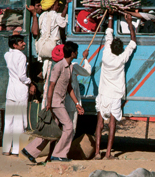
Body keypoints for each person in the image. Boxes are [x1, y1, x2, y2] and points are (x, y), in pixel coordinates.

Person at [94, 14, 137, 160]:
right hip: (115, 95)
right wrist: (130, 23)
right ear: (120, 50)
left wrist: (111, 15)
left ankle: (97, 153)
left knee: (99, 123)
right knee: (112, 124)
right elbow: (133, 42)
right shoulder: (121, 59)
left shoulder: (106, 55)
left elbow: (109, 33)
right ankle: (108, 154)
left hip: (103, 94)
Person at [44, 41, 84, 162]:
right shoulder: (59, 66)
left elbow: (69, 88)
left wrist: (77, 104)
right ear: (72, 53)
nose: (77, 53)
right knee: (68, 126)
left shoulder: (70, 67)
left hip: (59, 101)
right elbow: (51, 85)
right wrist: (49, 103)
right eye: (76, 51)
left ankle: (30, 151)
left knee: (53, 128)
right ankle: (58, 155)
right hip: (56, 101)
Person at [2, 35, 35, 156]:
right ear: (15, 45)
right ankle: (16, 150)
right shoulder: (21, 56)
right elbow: (22, 76)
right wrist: (29, 82)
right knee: (19, 121)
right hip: (20, 91)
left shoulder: (7, 55)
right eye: (21, 42)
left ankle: (6, 148)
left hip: (10, 91)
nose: (24, 44)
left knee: (9, 120)